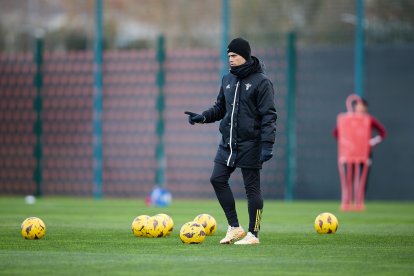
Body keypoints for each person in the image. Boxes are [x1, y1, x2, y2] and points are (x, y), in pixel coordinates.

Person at [185, 37, 277, 245]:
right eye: (229, 56)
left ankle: (254, 234)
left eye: (234, 55)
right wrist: (203, 117)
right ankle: (235, 228)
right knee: (217, 179)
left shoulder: (262, 82)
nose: (231, 59)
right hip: (228, 143)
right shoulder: (227, 80)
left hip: (251, 143)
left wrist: (267, 145)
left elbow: (269, 116)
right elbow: (220, 108)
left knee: (252, 189)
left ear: (244, 55)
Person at [333, 98, 387, 192]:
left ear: (366, 109)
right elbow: (336, 132)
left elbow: (382, 132)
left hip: (365, 153)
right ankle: (348, 199)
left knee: (363, 177)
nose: (360, 110)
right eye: (358, 108)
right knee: (349, 176)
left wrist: (372, 142)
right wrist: (346, 144)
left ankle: (359, 199)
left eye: (362, 108)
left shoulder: (369, 120)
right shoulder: (349, 120)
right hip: (351, 152)